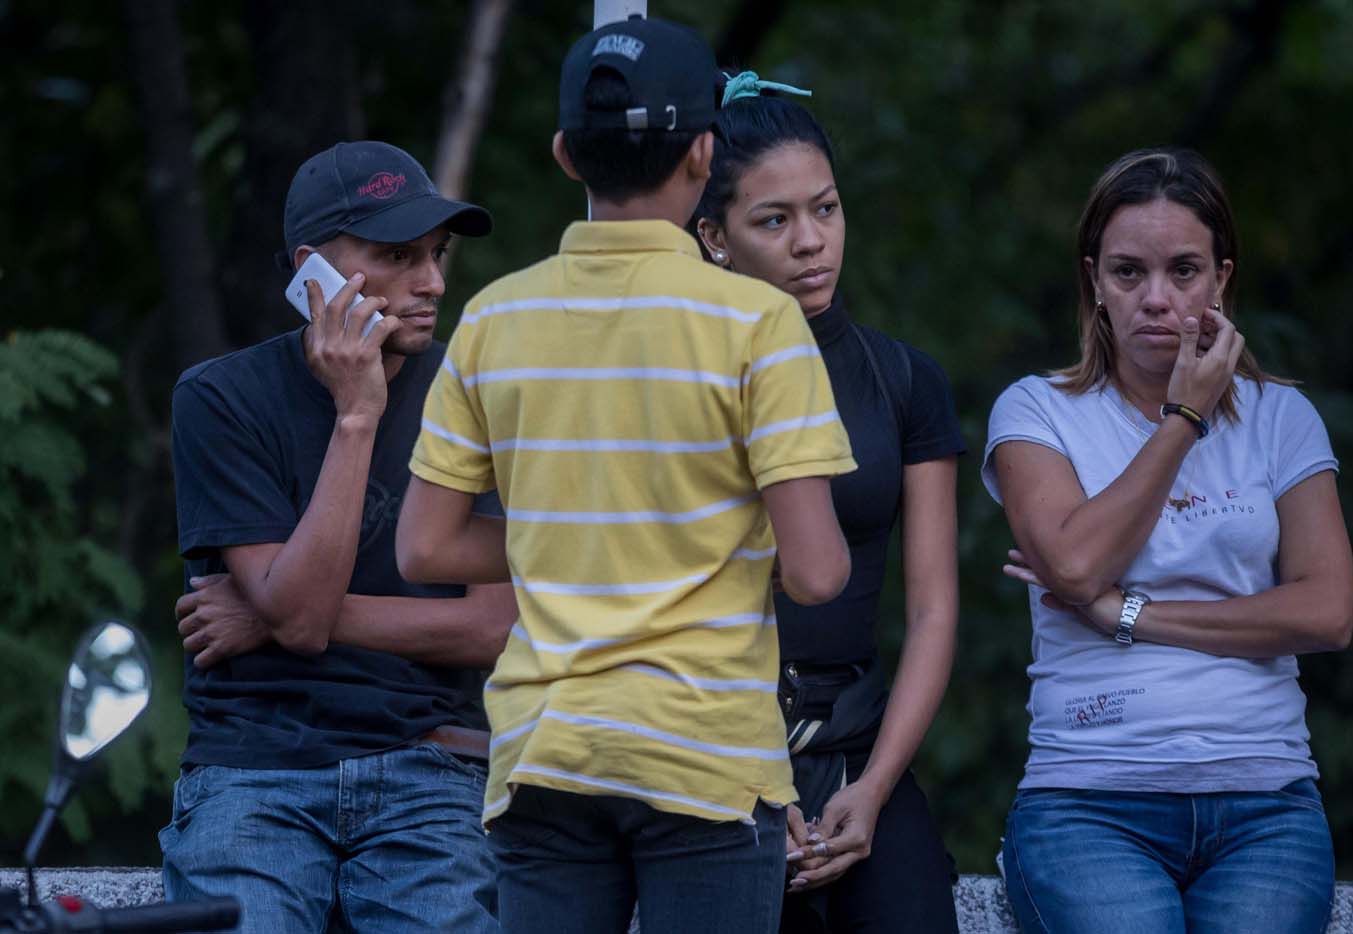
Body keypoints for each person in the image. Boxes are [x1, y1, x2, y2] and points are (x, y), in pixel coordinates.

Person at [395, 16, 857, 934]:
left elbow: (425, 547)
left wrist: (577, 534)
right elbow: (817, 572)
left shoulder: (493, 319)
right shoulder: (759, 326)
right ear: (704, 154)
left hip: (546, 754)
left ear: (566, 154)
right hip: (707, 759)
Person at [983, 147, 1353, 933]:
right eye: (1127, 273)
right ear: (1094, 280)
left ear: (1222, 278)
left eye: (1183, 271)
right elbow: (1078, 566)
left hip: (1266, 802)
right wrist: (1184, 417)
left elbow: (1327, 613)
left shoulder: (1282, 419)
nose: (1156, 298)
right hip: (1088, 800)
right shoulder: (1037, 411)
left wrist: (1129, 615)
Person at [163, 140, 517, 933]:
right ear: (311, 272)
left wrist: (266, 617)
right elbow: (301, 613)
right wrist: (358, 414)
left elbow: (493, 626)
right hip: (255, 768)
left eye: (437, 254)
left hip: (431, 763)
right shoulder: (220, 399)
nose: (431, 282)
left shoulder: (477, 398)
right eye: (398, 255)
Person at [692, 74, 963, 934]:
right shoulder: (672, 376)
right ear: (715, 237)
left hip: (856, 748)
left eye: (827, 209)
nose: (812, 242)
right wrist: (746, 780)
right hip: (703, 751)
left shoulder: (903, 379)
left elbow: (931, 609)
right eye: (775, 220)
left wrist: (874, 791)